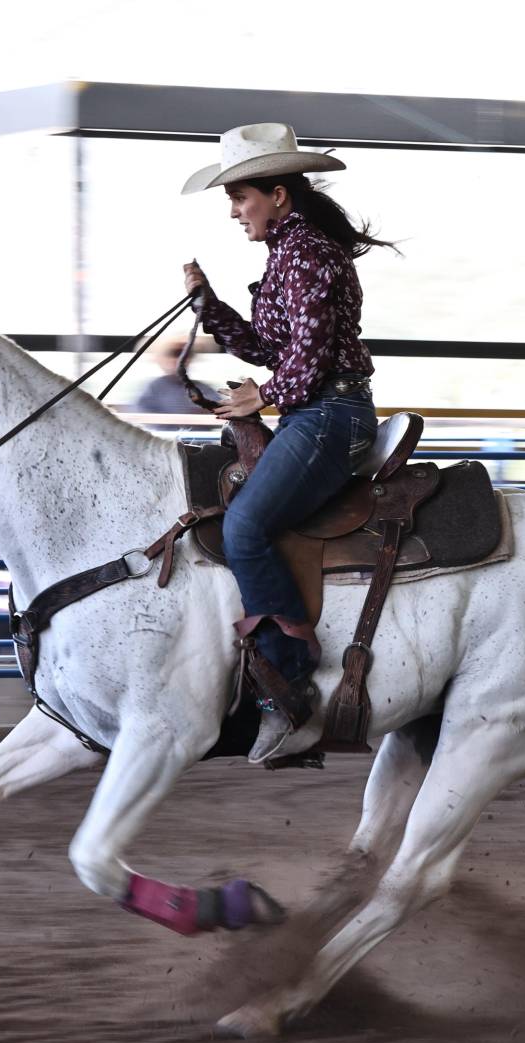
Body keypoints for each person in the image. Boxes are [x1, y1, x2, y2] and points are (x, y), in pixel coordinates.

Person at [181, 122, 393, 760]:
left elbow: (310, 356)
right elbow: (267, 347)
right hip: (313, 410)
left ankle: (288, 683)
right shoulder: (289, 253)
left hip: (331, 415)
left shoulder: (308, 254)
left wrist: (265, 397)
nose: (234, 212)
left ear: (278, 194)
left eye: (241, 199)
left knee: (245, 526)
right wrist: (207, 304)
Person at [131, 340, 210, 417]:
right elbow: (143, 414)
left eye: (187, 354)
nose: (179, 360)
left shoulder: (202, 388)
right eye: (173, 354)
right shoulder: (154, 388)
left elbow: (215, 411)